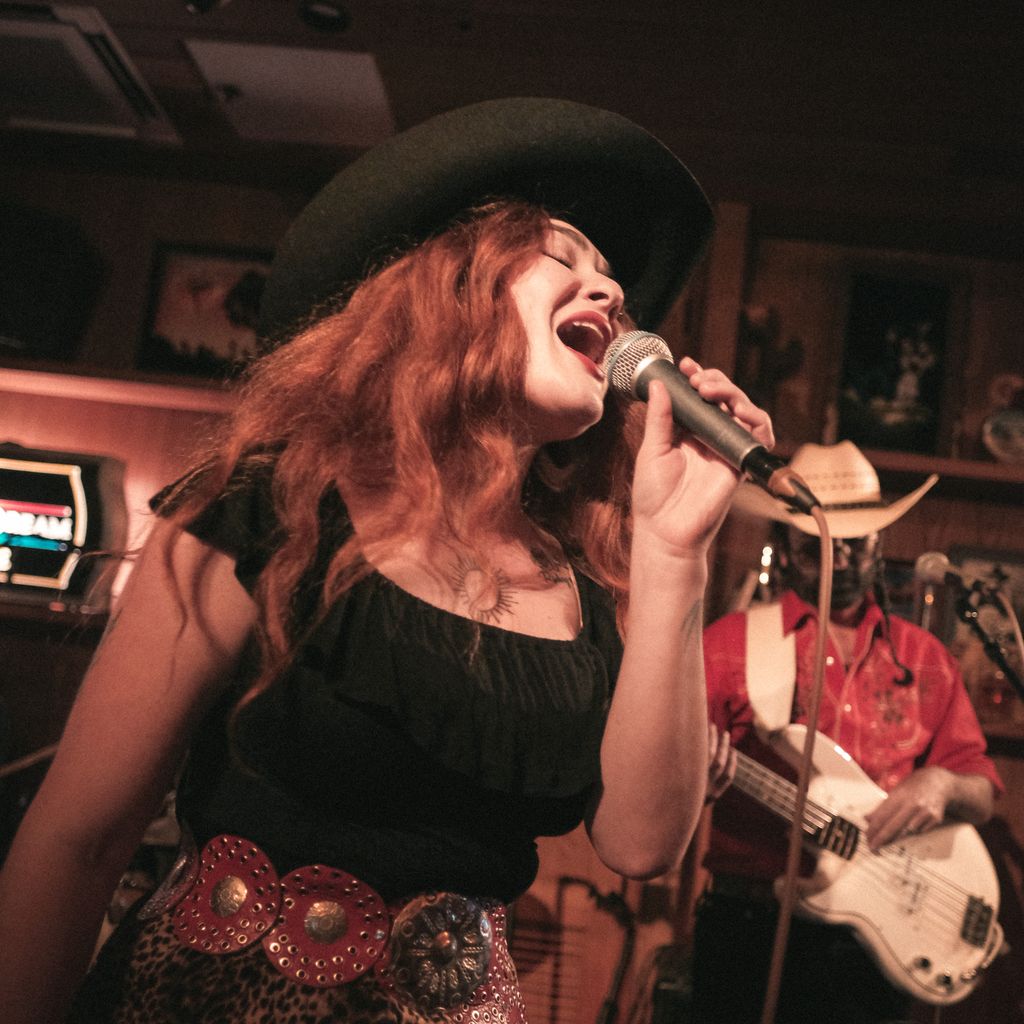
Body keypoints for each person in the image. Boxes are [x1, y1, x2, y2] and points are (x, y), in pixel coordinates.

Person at [0, 98, 774, 1024]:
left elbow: (642, 841)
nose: (609, 295)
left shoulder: (588, 586)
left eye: (615, 282)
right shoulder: (272, 505)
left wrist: (676, 551)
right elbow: (78, 841)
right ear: (445, 289)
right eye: (564, 258)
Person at [693, 440, 1003, 1024]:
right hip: (751, 925)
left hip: (878, 934)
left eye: (859, 539)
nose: (845, 557)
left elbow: (982, 791)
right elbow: (670, 782)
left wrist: (941, 783)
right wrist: (696, 780)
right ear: (785, 544)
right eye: (824, 542)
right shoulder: (732, 644)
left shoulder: (927, 657)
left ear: (880, 542)